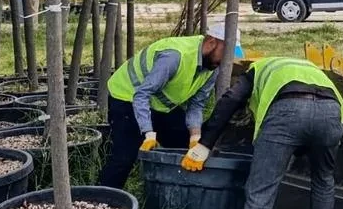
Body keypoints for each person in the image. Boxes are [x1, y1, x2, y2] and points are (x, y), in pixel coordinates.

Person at [181, 56, 343, 209]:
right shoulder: (310, 69)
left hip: (287, 110)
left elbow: (231, 99)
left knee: (260, 190)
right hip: (331, 112)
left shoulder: (256, 69)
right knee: (323, 180)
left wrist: (205, 144)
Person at [98, 23, 240, 190]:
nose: (226, 61)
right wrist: (148, 132)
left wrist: (195, 137)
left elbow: (197, 104)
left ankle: (177, 191)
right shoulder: (174, 57)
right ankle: (102, 198)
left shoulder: (212, 67)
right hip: (127, 96)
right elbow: (141, 95)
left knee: (186, 143)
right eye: (225, 53)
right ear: (211, 42)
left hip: (159, 105)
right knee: (124, 156)